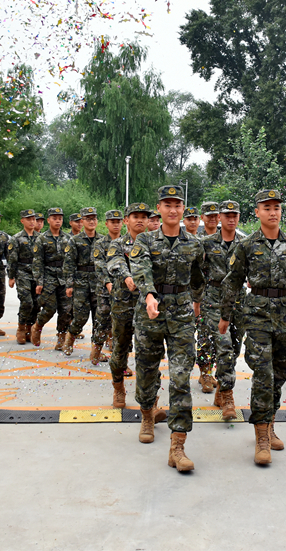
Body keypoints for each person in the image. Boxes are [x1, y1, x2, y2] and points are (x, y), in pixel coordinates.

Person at [220, 189, 286, 466]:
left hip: (285, 313)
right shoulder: (246, 245)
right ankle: (261, 435)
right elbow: (232, 281)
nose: (273, 212)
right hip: (257, 313)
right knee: (263, 372)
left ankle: (270, 422)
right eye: (267, 207)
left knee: (280, 373)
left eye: (277, 208)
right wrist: (225, 316)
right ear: (257, 212)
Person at [129, 185, 205, 472]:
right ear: (158, 209)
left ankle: (178, 445)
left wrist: (196, 301)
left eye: (177, 205)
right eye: (167, 204)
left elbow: (199, 277)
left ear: (183, 209)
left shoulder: (194, 243)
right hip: (150, 312)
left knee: (181, 377)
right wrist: (149, 295)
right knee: (147, 369)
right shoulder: (146, 239)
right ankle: (147, 414)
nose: (173, 209)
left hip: (182, 315)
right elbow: (140, 267)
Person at [199, 200, 246, 415]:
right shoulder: (207, 243)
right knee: (224, 345)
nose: (231, 218)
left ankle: (220, 391)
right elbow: (196, 271)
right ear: (219, 217)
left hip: (238, 299)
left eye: (234, 215)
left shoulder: (245, 243)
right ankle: (227, 396)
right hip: (214, 299)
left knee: (234, 348)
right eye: (227, 215)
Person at [106, 203, 151, 407]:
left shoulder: (153, 243)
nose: (140, 220)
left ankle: (148, 396)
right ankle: (118, 387)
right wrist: (127, 277)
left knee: (148, 351)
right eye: (135, 216)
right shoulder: (117, 243)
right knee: (120, 348)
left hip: (146, 305)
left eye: (144, 216)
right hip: (123, 304)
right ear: (126, 221)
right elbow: (116, 263)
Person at [64, 207, 106, 357]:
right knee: (80, 317)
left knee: (99, 318)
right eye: (88, 219)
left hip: (98, 283)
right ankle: (69, 339)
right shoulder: (74, 240)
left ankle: (96, 351)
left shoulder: (103, 240)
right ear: (82, 221)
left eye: (94, 218)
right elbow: (69, 264)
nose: (91, 221)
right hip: (81, 283)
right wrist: (69, 284)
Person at [30, 208, 73, 349]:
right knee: (49, 308)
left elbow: (71, 260)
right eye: (54, 218)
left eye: (60, 218)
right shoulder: (41, 239)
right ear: (49, 220)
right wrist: (39, 282)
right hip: (48, 277)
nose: (58, 220)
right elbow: (37, 262)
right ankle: (37, 326)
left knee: (66, 310)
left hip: (64, 277)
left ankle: (61, 337)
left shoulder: (67, 238)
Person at [91, 209, 123, 364]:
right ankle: (96, 351)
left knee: (122, 324)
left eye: (118, 222)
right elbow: (100, 266)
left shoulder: (128, 243)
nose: (116, 224)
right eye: (113, 222)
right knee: (103, 321)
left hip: (124, 291)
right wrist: (108, 284)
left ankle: (119, 360)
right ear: (107, 224)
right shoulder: (100, 244)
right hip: (105, 290)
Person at [8, 209, 40, 344]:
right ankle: (21, 328)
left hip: (37, 274)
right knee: (27, 301)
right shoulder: (16, 238)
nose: (32, 222)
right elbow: (12, 258)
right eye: (29, 219)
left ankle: (30, 329)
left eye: (33, 219)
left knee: (37, 303)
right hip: (22, 273)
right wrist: (11, 276)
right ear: (22, 221)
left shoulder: (40, 237)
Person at [66, 213, 84, 340]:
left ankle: (73, 329)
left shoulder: (87, 237)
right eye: (76, 221)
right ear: (70, 223)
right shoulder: (68, 239)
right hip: (71, 276)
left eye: (80, 221)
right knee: (68, 305)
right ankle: (66, 330)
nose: (79, 224)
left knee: (78, 307)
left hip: (83, 277)